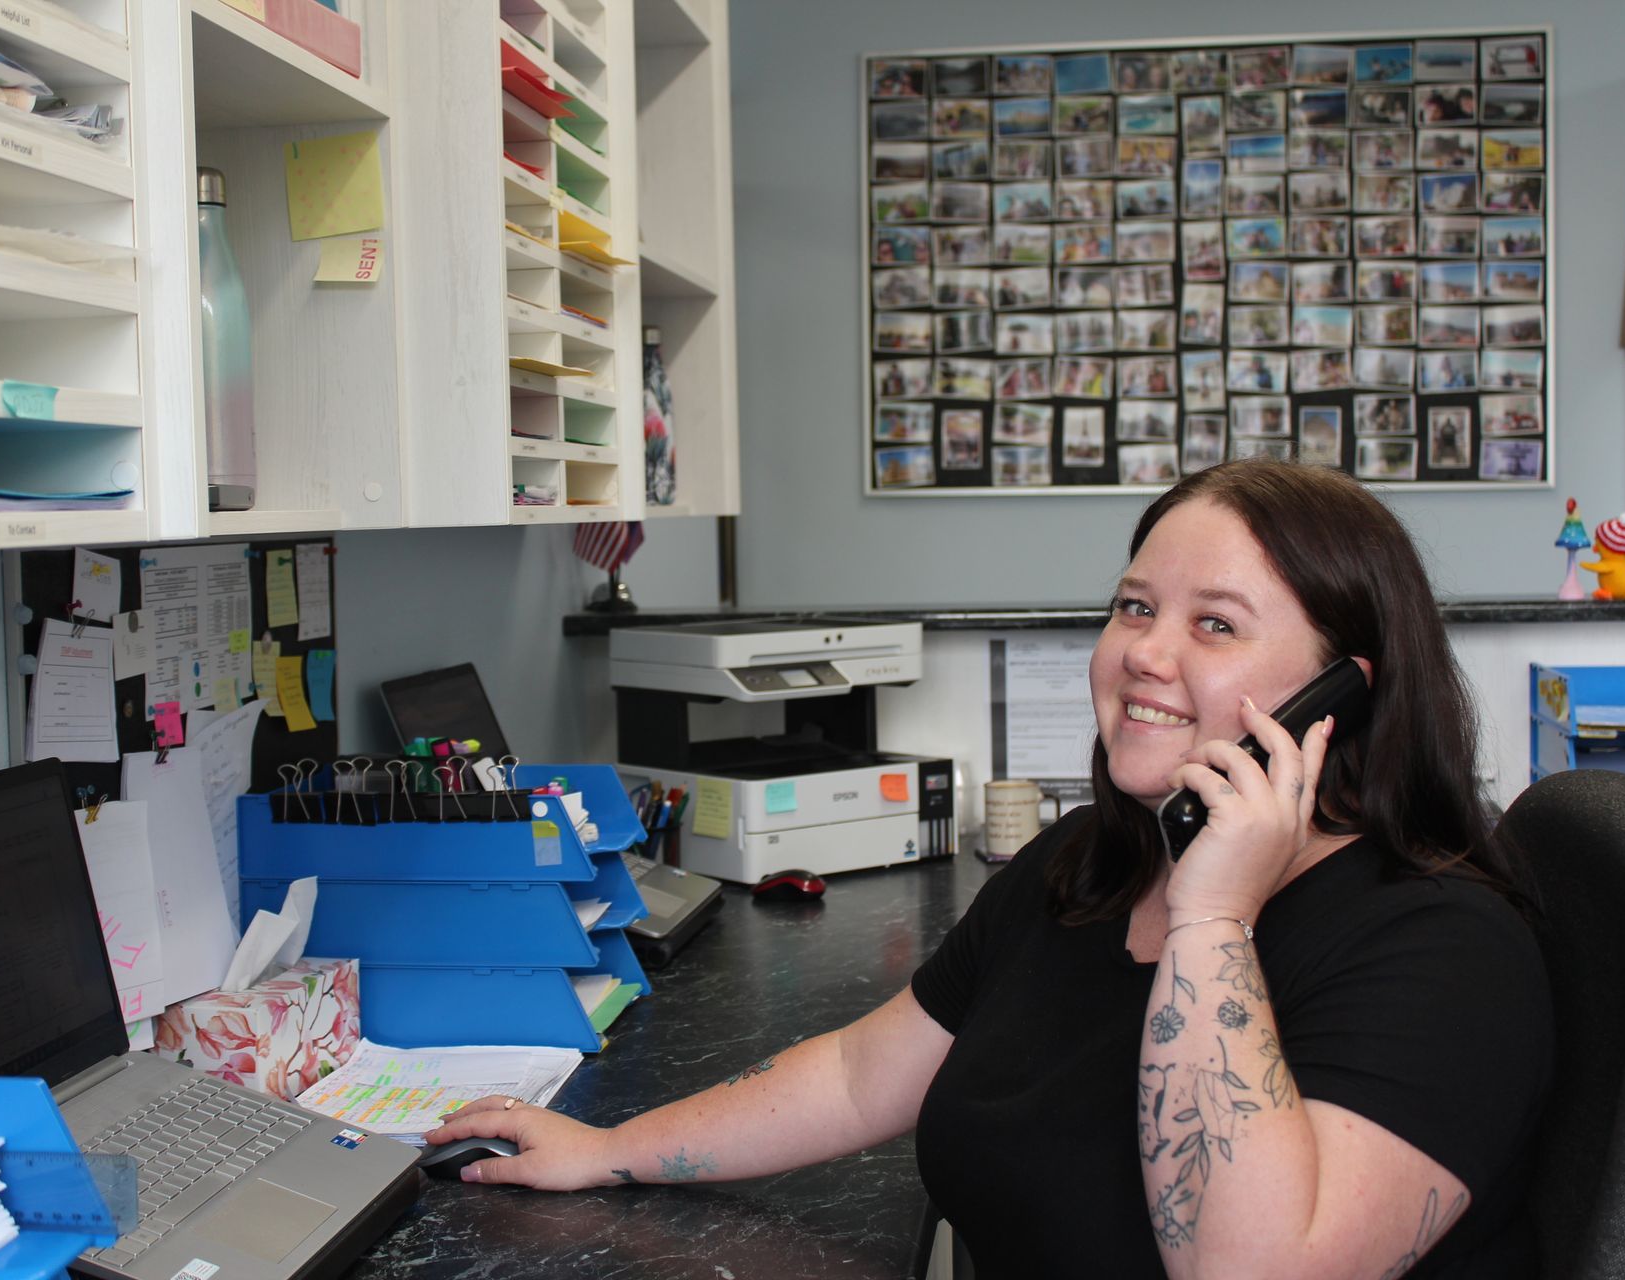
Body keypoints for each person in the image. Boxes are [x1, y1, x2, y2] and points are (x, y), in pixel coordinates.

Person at [424, 462, 1552, 1278]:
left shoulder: (1446, 947)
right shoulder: (1090, 861)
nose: (1146, 654)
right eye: (1136, 606)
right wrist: (612, 1151)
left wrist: (1215, 911)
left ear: (1340, 692)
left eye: (1215, 624)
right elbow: (866, 1075)